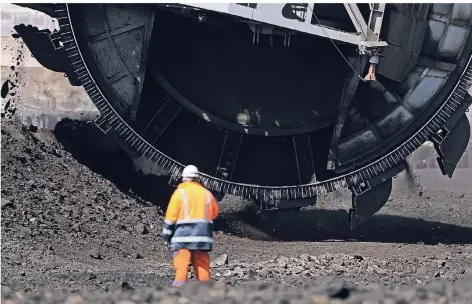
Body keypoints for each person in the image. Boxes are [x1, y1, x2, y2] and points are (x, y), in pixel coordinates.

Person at [162, 165, 219, 287]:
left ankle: (179, 288)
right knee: (202, 263)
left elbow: (171, 216)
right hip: (202, 238)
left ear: (183, 179)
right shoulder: (207, 194)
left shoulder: (179, 193)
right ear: (198, 179)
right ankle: (204, 290)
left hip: (183, 237)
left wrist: (166, 235)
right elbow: (214, 213)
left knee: (181, 262)